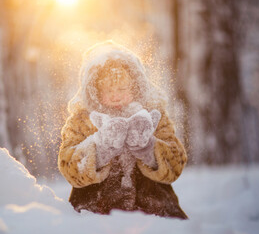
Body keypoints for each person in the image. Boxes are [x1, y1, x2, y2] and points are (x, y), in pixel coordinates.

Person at [58, 41, 188, 219]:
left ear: (135, 87)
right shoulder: (81, 120)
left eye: (122, 89)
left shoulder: (153, 114)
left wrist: (148, 148)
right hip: (96, 208)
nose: (116, 95)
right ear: (94, 90)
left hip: (153, 209)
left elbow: (176, 164)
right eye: (108, 90)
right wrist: (100, 149)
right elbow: (68, 166)